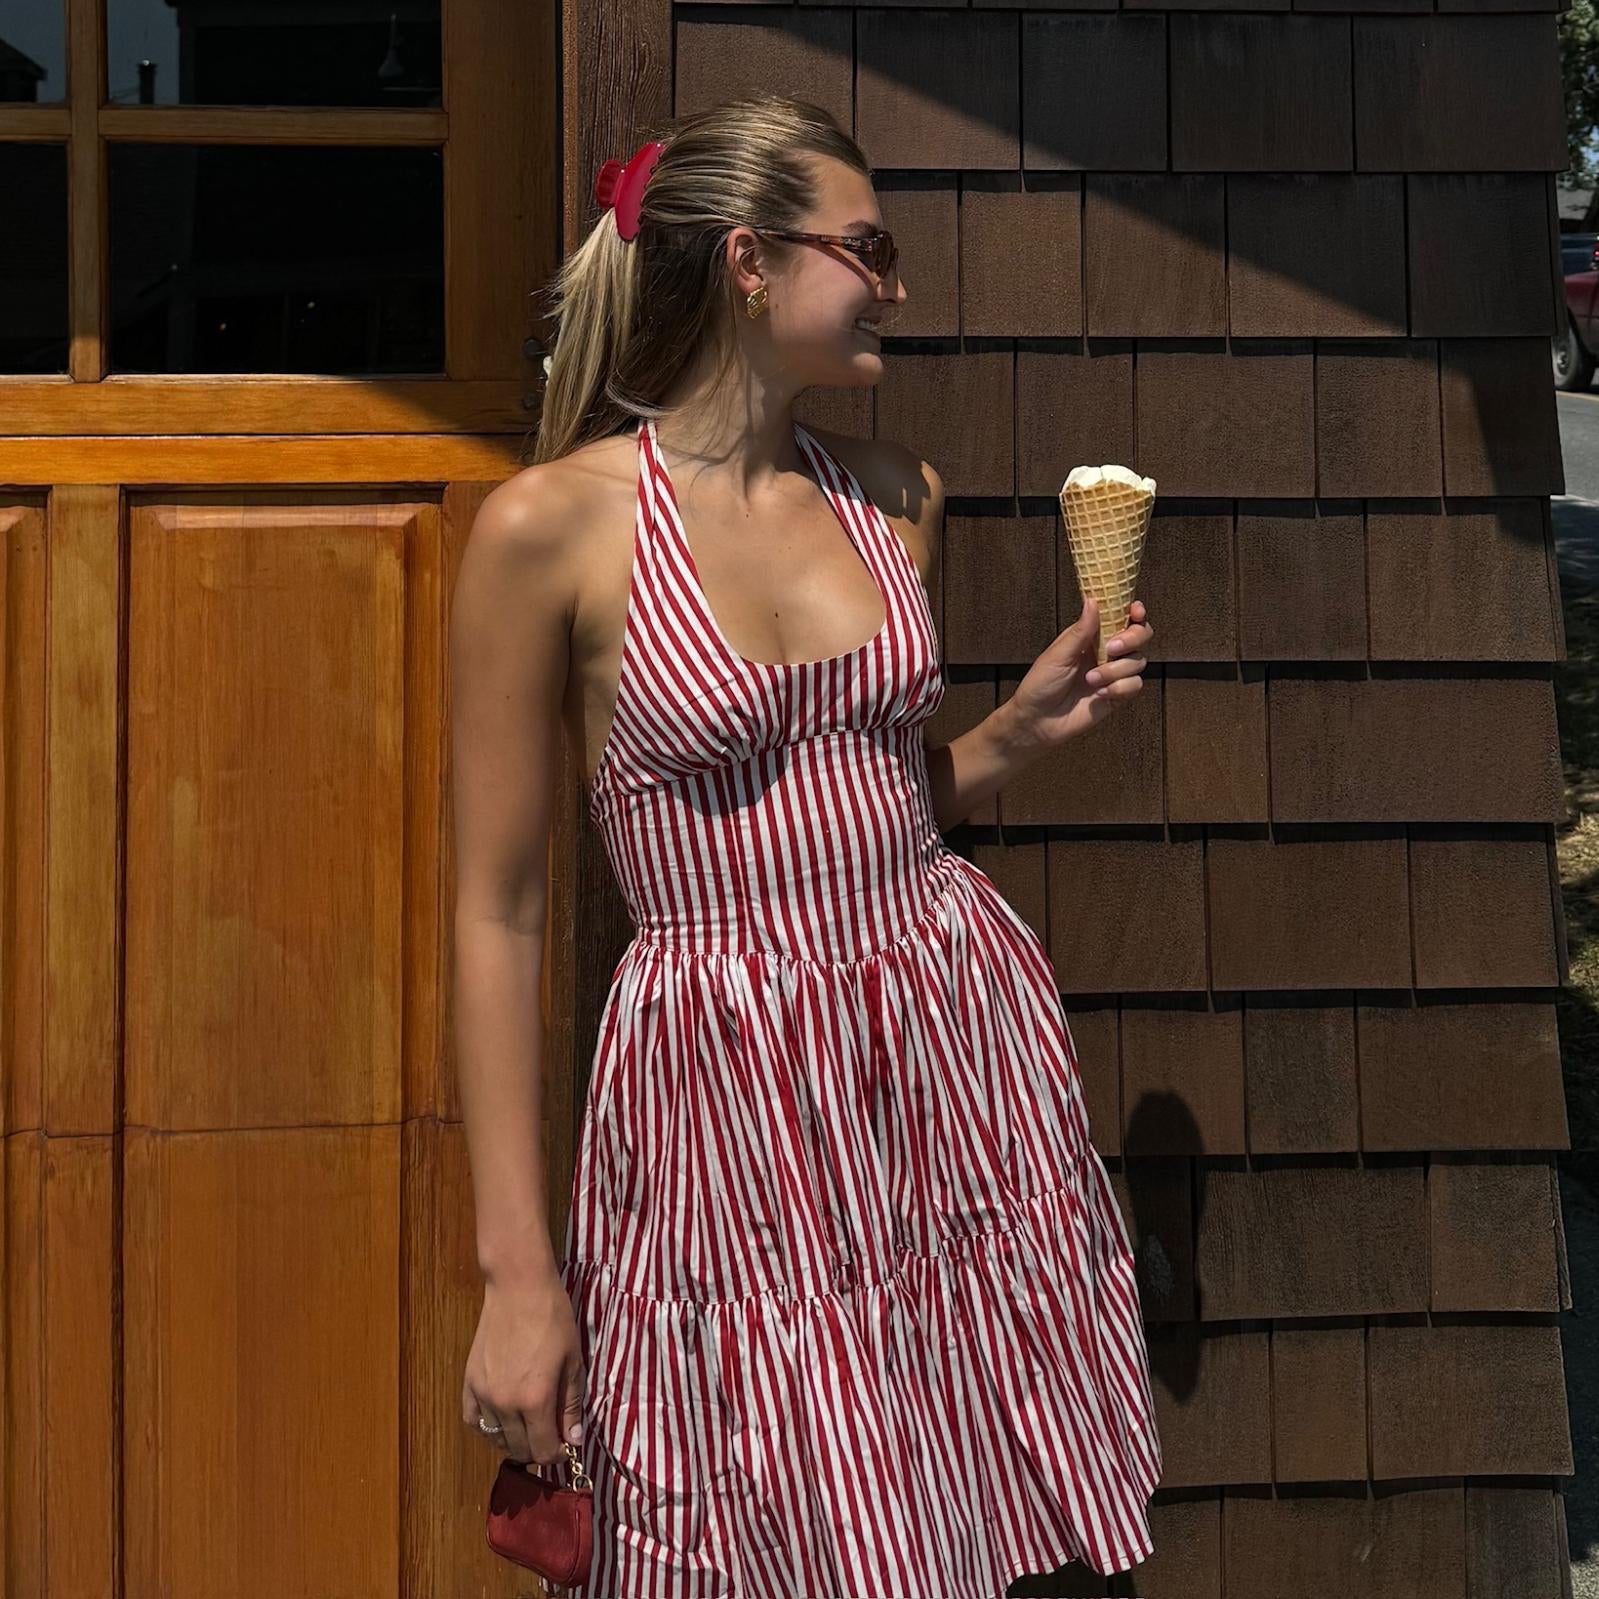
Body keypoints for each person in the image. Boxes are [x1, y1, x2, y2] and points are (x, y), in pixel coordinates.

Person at [449, 90, 1161, 1598]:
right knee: (750, 1517)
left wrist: (1013, 739)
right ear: (751, 262)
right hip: (726, 1101)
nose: (895, 284)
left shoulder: (896, 499)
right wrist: (519, 1272)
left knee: (943, 1482)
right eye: (870, 247)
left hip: (939, 1051)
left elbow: (868, 807)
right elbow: (501, 913)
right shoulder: (547, 534)